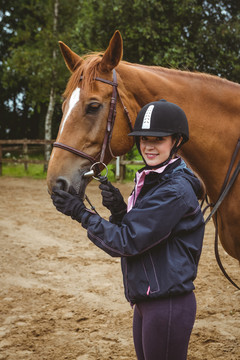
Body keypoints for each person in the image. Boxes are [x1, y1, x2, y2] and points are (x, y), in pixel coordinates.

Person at [51, 99, 205, 360]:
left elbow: (126, 242)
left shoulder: (174, 190)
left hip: (165, 303)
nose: (149, 146)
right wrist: (121, 211)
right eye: (144, 139)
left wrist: (81, 213)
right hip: (149, 299)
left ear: (177, 141)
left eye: (158, 139)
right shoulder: (156, 180)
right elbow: (148, 236)